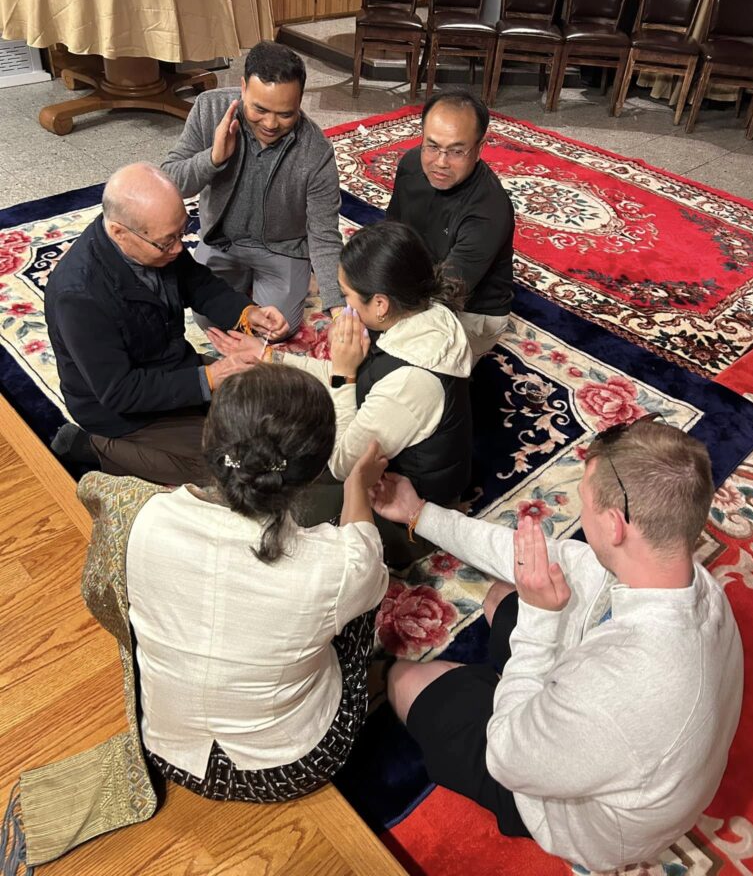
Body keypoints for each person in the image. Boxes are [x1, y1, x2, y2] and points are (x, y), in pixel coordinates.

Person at [371, 415, 743, 871]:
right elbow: (531, 557)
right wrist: (418, 513)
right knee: (502, 596)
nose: (579, 516)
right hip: (613, 716)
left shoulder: (626, 685)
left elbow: (505, 756)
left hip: (584, 818)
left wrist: (539, 622)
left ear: (613, 526)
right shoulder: (685, 577)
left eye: (584, 501)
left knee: (408, 678)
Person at [125, 365, 390, 802]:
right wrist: (357, 484)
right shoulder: (338, 564)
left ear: (209, 441)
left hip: (165, 748)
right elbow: (363, 548)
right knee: (364, 593)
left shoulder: (148, 516)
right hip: (288, 767)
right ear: (317, 468)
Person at [209, 221, 473, 542]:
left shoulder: (411, 380)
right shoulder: (418, 312)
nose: (343, 307)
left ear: (380, 303)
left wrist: (343, 376)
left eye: (347, 296)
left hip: (404, 511)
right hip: (383, 459)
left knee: (273, 514)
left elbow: (343, 465)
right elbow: (353, 375)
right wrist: (271, 358)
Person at [45, 162, 288, 487]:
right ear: (119, 232)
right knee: (237, 469)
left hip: (173, 367)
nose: (178, 248)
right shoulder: (78, 296)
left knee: (278, 410)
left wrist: (248, 313)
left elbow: (198, 283)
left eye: (181, 233)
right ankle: (93, 447)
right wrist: (210, 377)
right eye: (167, 242)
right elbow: (121, 392)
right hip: (123, 412)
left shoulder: (152, 242)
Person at [162, 41, 345, 337]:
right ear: (243, 87)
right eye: (260, 109)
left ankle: (298, 276)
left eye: (286, 114)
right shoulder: (209, 109)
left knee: (276, 329)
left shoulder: (316, 150)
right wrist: (213, 159)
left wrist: (338, 309)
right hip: (222, 241)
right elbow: (169, 182)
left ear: (300, 101)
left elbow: (324, 234)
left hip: (283, 248)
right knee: (212, 321)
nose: (271, 124)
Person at [386, 90, 515, 364]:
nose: (441, 163)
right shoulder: (411, 164)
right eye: (432, 146)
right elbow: (391, 232)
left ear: (479, 149)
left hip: (471, 308)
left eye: (456, 151)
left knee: (403, 366)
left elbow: (448, 293)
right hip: (421, 280)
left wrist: (391, 319)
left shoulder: (488, 209)